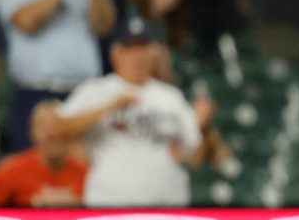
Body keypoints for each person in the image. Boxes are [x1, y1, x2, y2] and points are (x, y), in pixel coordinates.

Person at [52, 20, 206, 207]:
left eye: (142, 47)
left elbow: (196, 154)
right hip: (110, 202)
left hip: (167, 204)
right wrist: (109, 107)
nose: (137, 55)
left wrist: (202, 126)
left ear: (152, 53)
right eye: (130, 48)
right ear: (115, 53)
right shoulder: (96, 91)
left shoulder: (171, 97)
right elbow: (56, 129)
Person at [0, 0, 117, 151]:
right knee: (37, 167)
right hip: (35, 94)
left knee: (86, 167)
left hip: (85, 92)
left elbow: (104, 25)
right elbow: (27, 22)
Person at [0, 101, 87, 207]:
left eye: (59, 126)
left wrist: (77, 206)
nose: (52, 134)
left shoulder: (86, 173)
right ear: (33, 132)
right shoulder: (10, 171)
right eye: (45, 128)